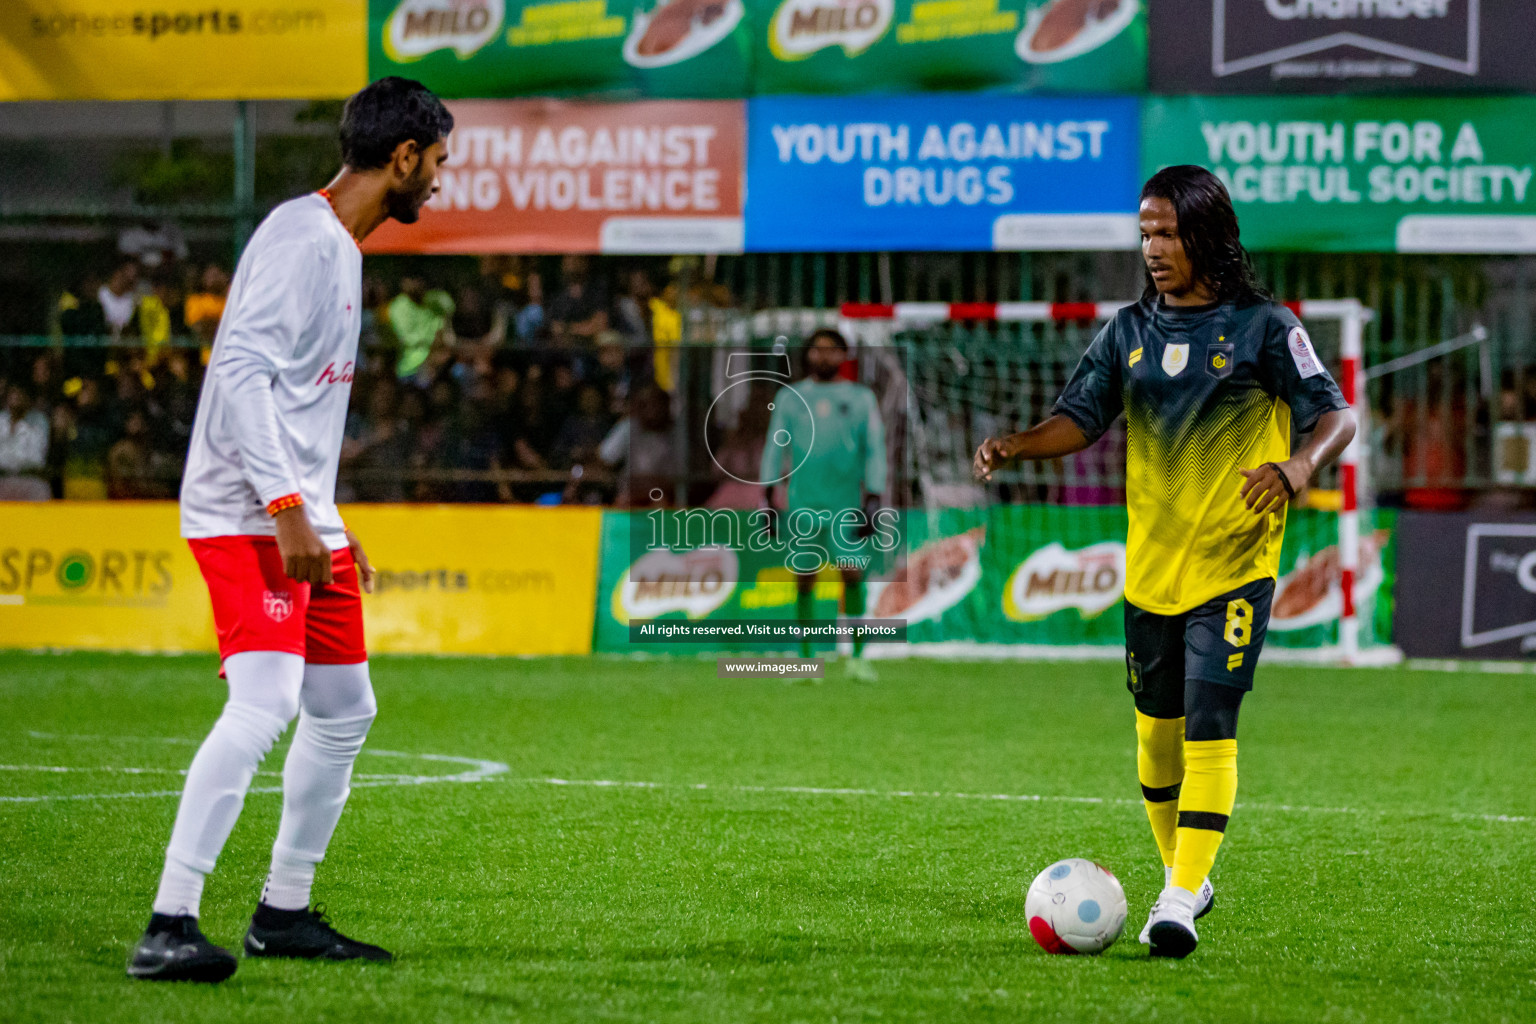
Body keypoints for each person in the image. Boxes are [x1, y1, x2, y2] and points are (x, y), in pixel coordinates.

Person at [974, 165, 1356, 959]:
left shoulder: (1264, 326)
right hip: (1151, 573)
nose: (1152, 247)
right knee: (1156, 740)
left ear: (1206, 234)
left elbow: (1336, 415)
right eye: (1145, 232)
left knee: (1211, 725)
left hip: (1233, 568)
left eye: (1167, 232)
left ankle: (1178, 898)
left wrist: (1299, 466)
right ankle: (1187, 871)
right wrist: (1015, 445)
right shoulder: (1127, 331)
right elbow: (1077, 421)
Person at [127, 76, 453, 984]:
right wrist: (283, 510)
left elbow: (292, 403)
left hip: (297, 514)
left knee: (346, 710)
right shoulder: (302, 237)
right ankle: (169, 922)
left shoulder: (337, 248)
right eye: (436, 164)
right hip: (244, 517)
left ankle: (284, 910)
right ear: (402, 157)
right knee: (267, 701)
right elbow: (238, 374)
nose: (437, 182)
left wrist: (324, 518)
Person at [759, 329, 887, 681]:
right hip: (803, 502)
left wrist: (874, 495)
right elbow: (774, 447)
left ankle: (858, 657)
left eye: (832, 350)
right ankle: (805, 659)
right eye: (817, 349)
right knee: (804, 578)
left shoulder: (861, 398)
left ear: (844, 355)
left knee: (852, 574)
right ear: (808, 355)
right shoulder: (791, 398)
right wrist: (768, 496)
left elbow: (875, 447)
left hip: (845, 503)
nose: (824, 356)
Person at [0, 384, 51, 500]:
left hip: (28, 478)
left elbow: (36, 458)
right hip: (2, 478)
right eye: (13, 393)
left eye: (20, 394)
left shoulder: (38, 421)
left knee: (41, 489)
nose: (16, 397)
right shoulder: (1, 420)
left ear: (27, 398)